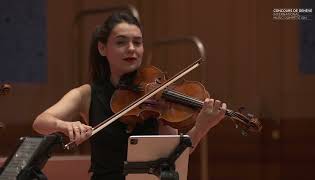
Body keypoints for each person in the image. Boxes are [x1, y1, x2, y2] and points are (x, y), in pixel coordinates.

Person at [32, 11, 227, 180]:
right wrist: (66, 125)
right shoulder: (86, 94)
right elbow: (41, 122)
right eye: (121, 42)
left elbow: (175, 153)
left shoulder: (157, 97)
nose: (132, 48)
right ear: (102, 48)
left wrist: (202, 127)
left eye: (138, 42)